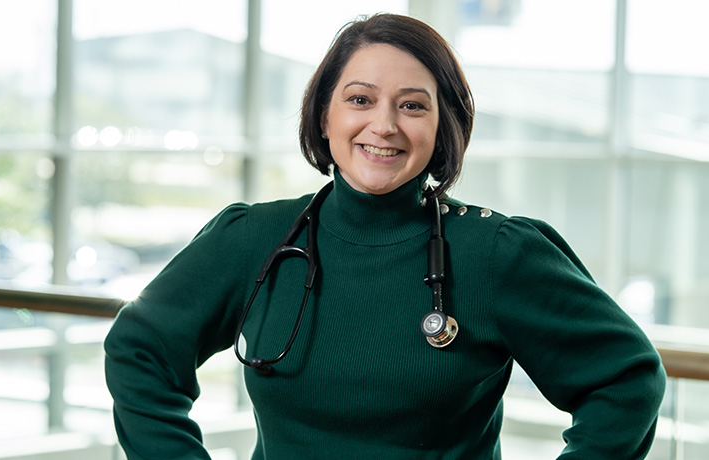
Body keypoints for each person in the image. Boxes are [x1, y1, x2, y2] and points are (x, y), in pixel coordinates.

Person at [104, 13, 666, 459]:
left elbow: (626, 380)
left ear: (443, 125)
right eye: (359, 99)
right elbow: (140, 349)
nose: (385, 125)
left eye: (413, 106)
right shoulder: (256, 238)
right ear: (324, 116)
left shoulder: (498, 254)